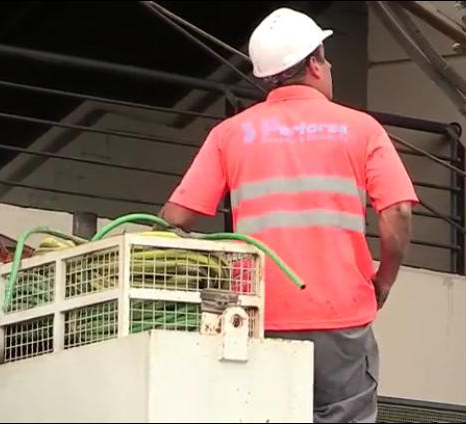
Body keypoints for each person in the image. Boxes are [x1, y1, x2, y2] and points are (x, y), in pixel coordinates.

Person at [158, 7, 417, 423]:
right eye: (326, 58)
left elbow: (174, 217)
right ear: (314, 65)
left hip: (257, 316)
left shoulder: (230, 133)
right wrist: (383, 280)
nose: (328, 66)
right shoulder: (361, 128)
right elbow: (399, 211)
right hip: (340, 317)